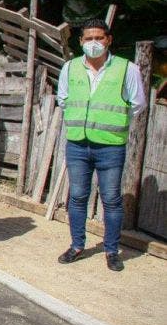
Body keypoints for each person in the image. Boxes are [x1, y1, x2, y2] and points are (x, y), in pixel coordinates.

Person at [56, 18, 146, 272]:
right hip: (77, 144)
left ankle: (111, 249)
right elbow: (63, 99)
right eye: (89, 38)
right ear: (81, 41)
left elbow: (138, 104)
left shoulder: (126, 69)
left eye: (99, 38)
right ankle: (76, 245)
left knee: (111, 199)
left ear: (108, 40)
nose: (94, 43)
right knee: (77, 196)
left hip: (110, 146)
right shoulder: (70, 68)